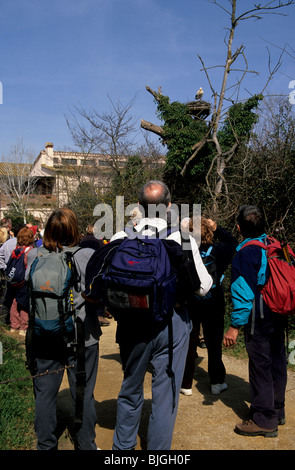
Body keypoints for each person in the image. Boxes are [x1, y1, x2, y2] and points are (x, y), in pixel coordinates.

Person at [110, 180, 213, 450]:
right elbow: (203, 286)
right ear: (168, 205)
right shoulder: (180, 237)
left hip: (133, 323)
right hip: (172, 323)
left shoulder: (122, 236)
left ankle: (122, 450)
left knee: (130, 388)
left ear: (139, 206)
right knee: (165, 395)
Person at [25, 208, 102, 450]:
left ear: (48, 230)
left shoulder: (34, 256)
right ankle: (86, 444)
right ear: (74, 231)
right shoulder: (86, 255)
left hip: (43, 335)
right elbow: (97, 295)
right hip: (81, 337)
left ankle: (45, 444)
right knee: (83, 393)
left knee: (45, 396)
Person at [223, 205, 288, 437]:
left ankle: (263, 419)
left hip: (258, 313)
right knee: (277, 359)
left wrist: (233, 327)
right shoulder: (273, 244)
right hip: (278, 311)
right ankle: (277, 410)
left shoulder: (245, 252)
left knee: (260, 364)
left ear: (239, 228)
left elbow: (243, 294)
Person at [180, 217, 237, 395]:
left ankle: (186, 384)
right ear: (209, 232)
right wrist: (217, 227)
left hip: (191, 301)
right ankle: (217, 382)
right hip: (214, 300)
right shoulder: (219, 250)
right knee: (214, 343)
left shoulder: (186, 251)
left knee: (189, 342)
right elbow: (233, 242)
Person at [6, 227, 35, 335]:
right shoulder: (30, 251)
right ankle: (23, 327)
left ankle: (14, 326)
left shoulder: (16, 249)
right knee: (24, 304)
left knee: (14, 303)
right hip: (23, 282)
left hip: (14, 281)